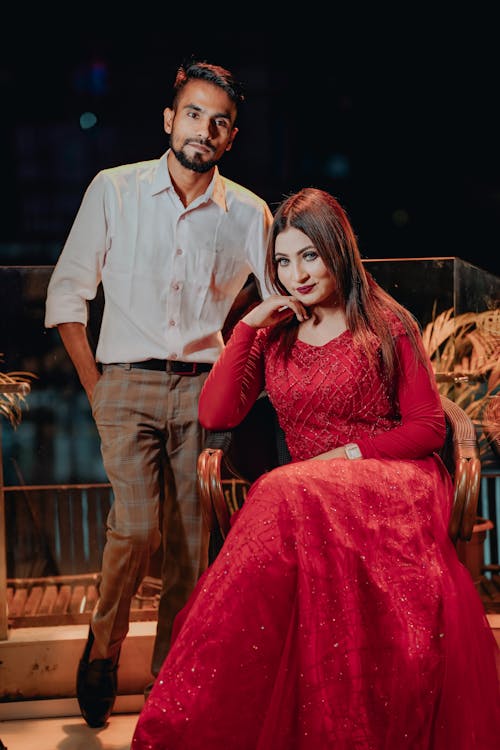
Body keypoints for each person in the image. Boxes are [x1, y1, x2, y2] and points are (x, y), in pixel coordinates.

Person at [131, 188, 500, 749]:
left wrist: (349, 455)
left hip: (393, 481)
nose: (297, 274)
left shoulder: (385, 320)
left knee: (277, 490)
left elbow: (427, 427)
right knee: (283, 494)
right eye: (283, 261)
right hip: (311, 500)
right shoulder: (276, 333)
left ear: (337, 250)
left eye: (310, 255)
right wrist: (250, 325)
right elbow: (215, 413)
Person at [44, 59, 273, 728]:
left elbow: (280, 298)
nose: (205, 129)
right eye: (194, 114)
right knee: (138, 529)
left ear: (231, 138)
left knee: (190, 545)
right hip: (123, 383)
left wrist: (241, 367)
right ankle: (103, 647)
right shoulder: (113, 190)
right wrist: (96, 388)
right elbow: (68, 295)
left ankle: (171, 685)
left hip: (203, 392)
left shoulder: (248, 213)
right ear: (170, 119)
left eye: (219, 122)